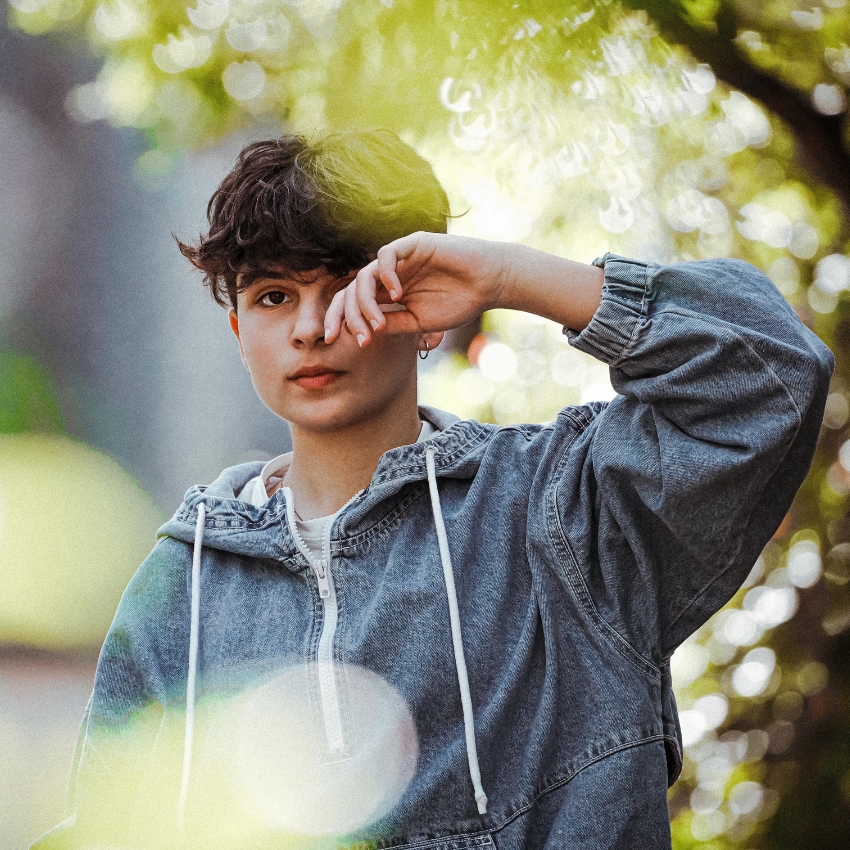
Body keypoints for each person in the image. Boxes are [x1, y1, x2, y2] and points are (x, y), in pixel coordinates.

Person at [33, 129, 834, 850]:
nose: (310, 327)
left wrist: (508, 276)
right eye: (273, 297)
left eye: (345, 286)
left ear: (426, 317)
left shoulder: (563, 512)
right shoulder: (183, 587)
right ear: (240, 330)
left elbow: (768, 376)